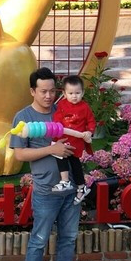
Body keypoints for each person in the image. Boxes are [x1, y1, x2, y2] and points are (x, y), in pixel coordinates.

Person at [11, 67, 86, 261]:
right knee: (39, 241)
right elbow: (20, 153)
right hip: (45, 190)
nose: (48, 96)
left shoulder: (64, 110)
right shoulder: (24, 117)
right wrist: (50, 150)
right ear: (32, 90)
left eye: (53, 91)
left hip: (71, 189)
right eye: (43, 91)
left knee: (68, 239)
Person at [53, 75, 95, 204]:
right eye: (71, 93)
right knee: (62, 156)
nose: (74, 96)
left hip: (76, 139)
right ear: (64, 93)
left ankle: (70, 183)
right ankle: (77, 185)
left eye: (77, 93)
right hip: (64, 137)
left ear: (82, 92)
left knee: (71, 160)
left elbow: (91, 121)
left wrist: (89, 132)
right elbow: (57, 118)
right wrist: (57, 127)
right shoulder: (62, 104)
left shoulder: (84, 107)